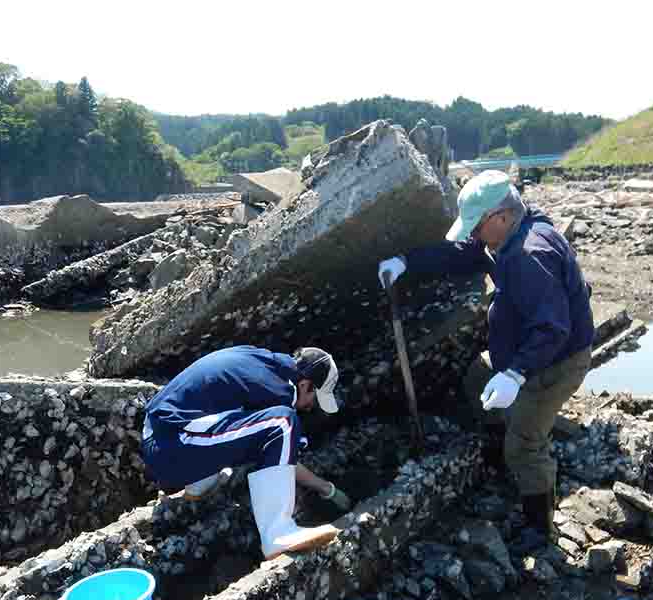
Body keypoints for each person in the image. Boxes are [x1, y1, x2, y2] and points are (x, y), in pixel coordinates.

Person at [378, 170, 594, 535]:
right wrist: (408, 262)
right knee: (477, 379)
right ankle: (500, 454)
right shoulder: (509, 235)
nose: (474, 235)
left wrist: (515, 374)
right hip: (527, 352)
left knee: (526, 444)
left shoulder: (529, 253)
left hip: (554, 361)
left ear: (502, 216)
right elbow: (463, 253)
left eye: (477, 226)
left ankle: (540, 529)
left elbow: (553, 328)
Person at [140, 345, 352, 560]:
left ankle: (200, 481)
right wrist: (327, 489)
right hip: (170, 448)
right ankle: (278, 533)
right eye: (314, 399)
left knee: (247, 429)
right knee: (282, 423)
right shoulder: (280, 391)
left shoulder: (258, 359)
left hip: (159, 433)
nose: (309, 406)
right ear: (305, 384)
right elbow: (283, 452)